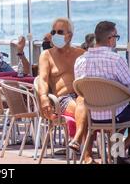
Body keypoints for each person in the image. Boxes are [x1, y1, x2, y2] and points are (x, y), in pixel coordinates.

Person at [74, 21, 130, 164]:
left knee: (124, 107)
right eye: (116, 37)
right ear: (110, 38)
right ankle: (118, 150)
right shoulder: (116, 60)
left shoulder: (80, 61)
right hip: (116, 115)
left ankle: (116, 152)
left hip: (91, 116)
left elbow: (80, 89)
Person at [36, 17, 92, 163]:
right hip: (61, 99)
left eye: (60, 32)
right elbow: (42, 79)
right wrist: (43, 98)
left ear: (70, 35)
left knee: (86, 104)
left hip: (82, 95)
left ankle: (79, 140)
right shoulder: (46, 55)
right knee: (84, 111)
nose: (55, 35)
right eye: (53, 32)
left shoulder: (81, 54)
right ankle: (87, 156)